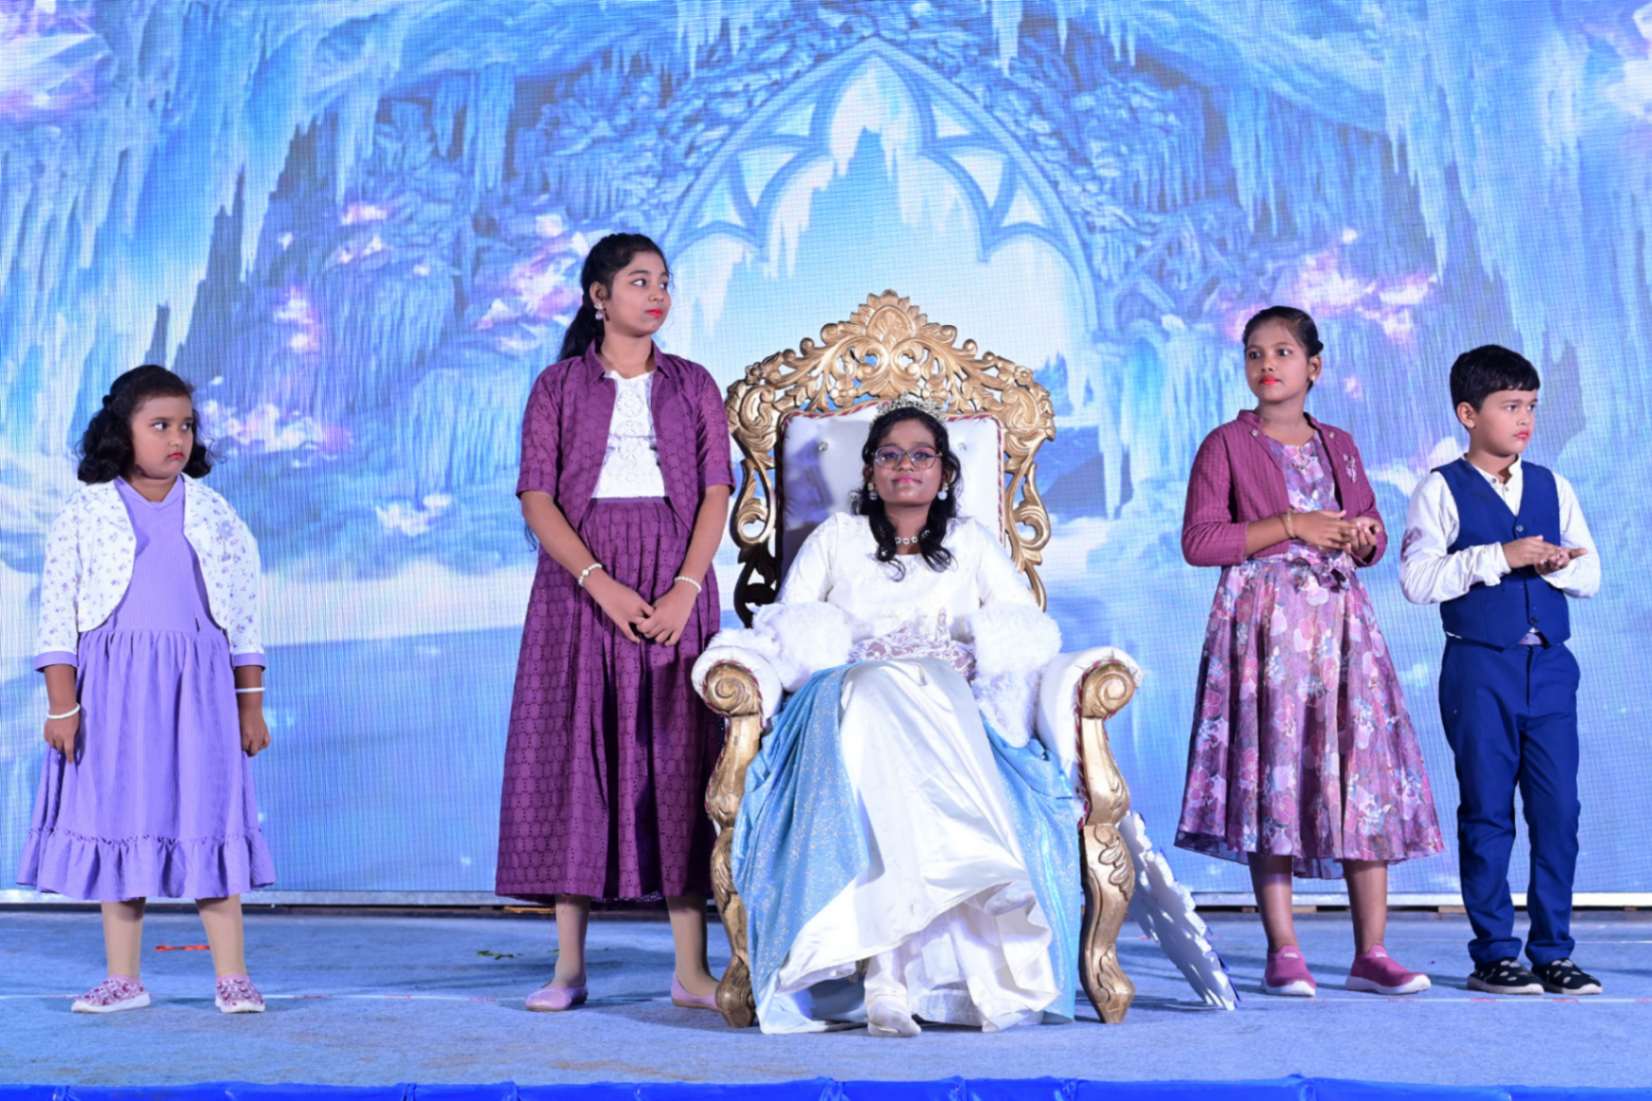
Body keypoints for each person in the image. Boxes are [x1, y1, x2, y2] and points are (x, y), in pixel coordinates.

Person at [711, 399, 1079, 1036]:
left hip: (945, 703)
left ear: (944, 472)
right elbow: (790, 629)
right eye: (890, 455)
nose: (905, 466)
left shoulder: (970, 543)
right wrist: (864, 656)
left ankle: (890, 977)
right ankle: (910, 945)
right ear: (870, 470)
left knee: (925, 684)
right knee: (877, 688)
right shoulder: (837, 538)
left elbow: (1024, 630)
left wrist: (966, 655)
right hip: (847, 701)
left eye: (921, 455)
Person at [1177, 306, 1444, 998]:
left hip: (1342, 627)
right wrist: (1292, 524)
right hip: (1266, 628)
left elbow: (1371, 528)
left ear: (1314, 366)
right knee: (1274, 770)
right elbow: (1200, 541)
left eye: (1283, 352)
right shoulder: (1225, 444)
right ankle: (1284, 948)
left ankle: (1371, 952)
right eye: (1255, 353)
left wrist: (1363, 537)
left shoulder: (1340, 444)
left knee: (1361, 773)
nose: (1268, 364)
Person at [495, 232, 732, 1012]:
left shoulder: (693, 383)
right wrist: (598, 582)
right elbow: (537, 498)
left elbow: (714, 493)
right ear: (598, 296)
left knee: (681, 754)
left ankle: (691, 968)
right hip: (579, 584)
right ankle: (568, 966)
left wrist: (685, 589)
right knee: (576, 756)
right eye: (638, 281)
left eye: (663, 281)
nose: (656, 294)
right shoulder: (559, 386)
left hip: (674, 573)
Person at [20, 365, 274, 1014]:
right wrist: (63, 705)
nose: (176, 438)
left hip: (200, 691)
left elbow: (243, 613)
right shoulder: (87, 511)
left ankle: (232, 976)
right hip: (114, 691)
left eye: (185, 425)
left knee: (208, 817)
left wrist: (249, 703)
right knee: (121, 819)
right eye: (160, 425)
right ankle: (124, 978)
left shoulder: (214, 512)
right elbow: (59, 613)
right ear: (121, 432)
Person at [1399, 344, 1601, 996]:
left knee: (1558, 810)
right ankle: (1493, 951)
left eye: (1531, 406)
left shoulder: (1553, 485)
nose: (1525, 420)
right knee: (1487, 810)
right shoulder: (1440, 488)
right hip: (1479, 666)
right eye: (1511, 406)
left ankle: (1553, 950)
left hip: (1551, 667)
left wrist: (1555, 564)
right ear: (1468, 413)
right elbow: (1417, 580)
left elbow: (1591, 575)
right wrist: (1500, 557)